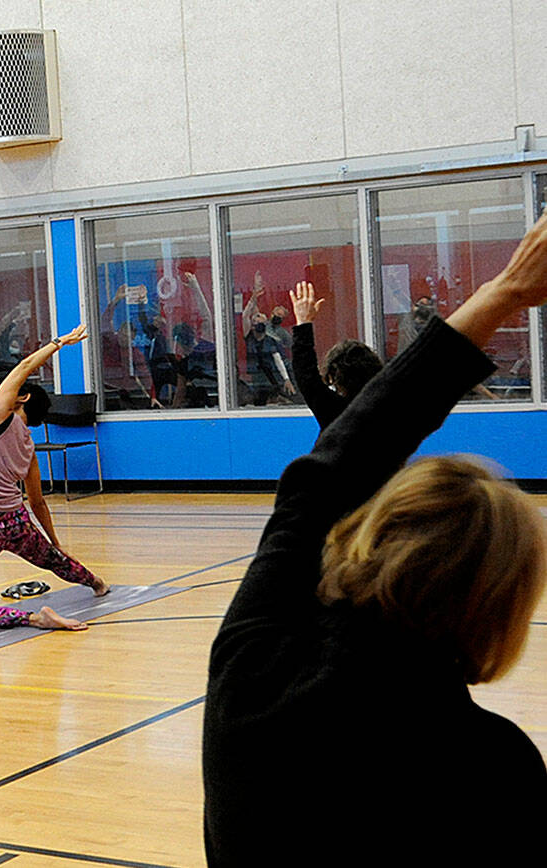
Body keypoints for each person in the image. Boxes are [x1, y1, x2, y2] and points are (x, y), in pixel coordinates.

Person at [203, 211, 547, 865]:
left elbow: (330, 468)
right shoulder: (492, 767)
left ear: (371, 534)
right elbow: (337, 464)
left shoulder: (252, 675)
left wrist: (507, 290)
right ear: (497, 610)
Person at [0, 324, 108, 630]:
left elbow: (24, 366)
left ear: (21, 398)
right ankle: (97, 583)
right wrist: (55, 543)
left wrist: (60, 342)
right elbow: (37, 502)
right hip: (14, 522)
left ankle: (35, 618)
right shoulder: (29, 450)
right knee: (54, 560)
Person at [288, 281, 383, 429]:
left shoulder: (334, 410)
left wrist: (303, 323)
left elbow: (306, 374)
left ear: (333, 376)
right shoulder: (388, 409)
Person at [240, 274, 295, 405]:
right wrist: (254, 295)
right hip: (256, 376)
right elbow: (246, 315)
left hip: (271, 376)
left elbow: (278, 359)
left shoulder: (273, 339)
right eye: (255, 317)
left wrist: (286, 379)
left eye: (260, 316)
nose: (257, 318)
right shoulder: (249, 335)